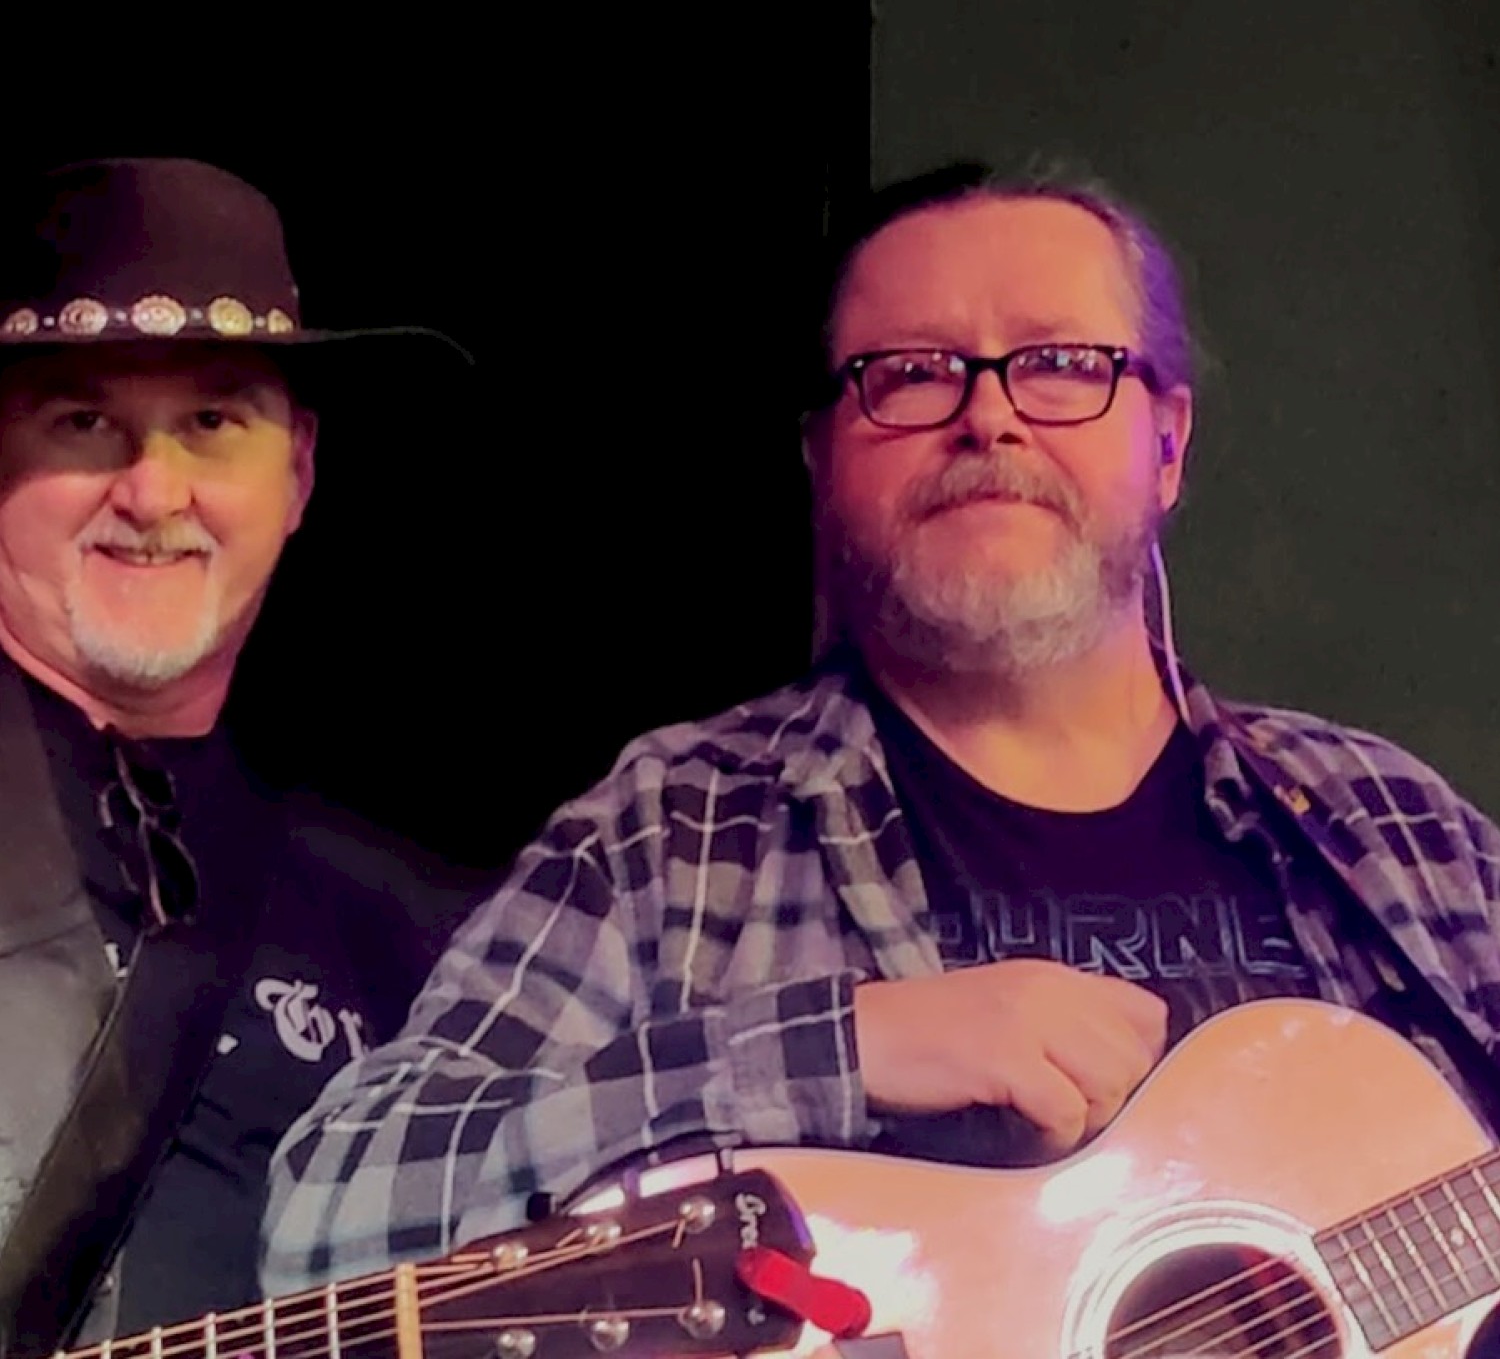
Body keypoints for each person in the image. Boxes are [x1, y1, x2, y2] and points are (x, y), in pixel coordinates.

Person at [259, 163, 1500, 1297]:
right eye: (910, 373)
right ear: (821, 457)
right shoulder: (678, 832)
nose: (990, 417)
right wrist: (839, 1044)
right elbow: (335, 1209)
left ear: (1167, 441)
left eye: (1063, 362)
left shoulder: (1392, 828)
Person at [0, 158, 484, 1349]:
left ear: (299, 474)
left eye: (213, 422)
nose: (153, 490)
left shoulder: (418, 932)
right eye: (83, 421)